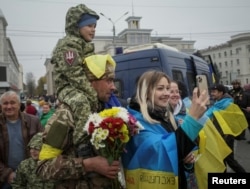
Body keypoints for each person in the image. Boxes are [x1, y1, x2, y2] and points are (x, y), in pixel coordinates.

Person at [36, 54, 121, 188]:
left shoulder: (103, 109)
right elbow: (43, 167)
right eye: (108, 80)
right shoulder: (67, 114)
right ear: (92, 82)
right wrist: (88, 165)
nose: (113, 87)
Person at [122, 70, 209, 189]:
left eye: (167, 88)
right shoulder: (135, 122)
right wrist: (193, 119)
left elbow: (176, 151)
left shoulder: (167, 116)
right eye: (160, 88)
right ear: (146, 91)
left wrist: (187, 161)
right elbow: (159, 150)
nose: (167, 93)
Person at [50, 3, 100, 148]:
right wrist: (92, 94)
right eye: (89, 26)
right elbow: (75, 75)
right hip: (67, 87)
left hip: (81, 86)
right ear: (76, 26)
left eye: (95, 26)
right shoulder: (68, 45)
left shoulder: (86, 45)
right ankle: (82, 142)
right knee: (81, 103)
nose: (93, 30)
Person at [0, 91, 44, 189]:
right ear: (1, 106)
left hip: (31, 178)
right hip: (4, 179)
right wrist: (7, 173)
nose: (9, 106)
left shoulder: (34, 121)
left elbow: (45, 146)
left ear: (19, 105)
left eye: (12, 102)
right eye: (5, 103)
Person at [206, 84, 247, 173]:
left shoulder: (226, 104)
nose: (212, 94)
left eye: (214, 92)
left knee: (229, 160)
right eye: (211, 91)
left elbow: (210, 114)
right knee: (222, 159)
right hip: (221, 135)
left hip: (226, 136)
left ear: (221, 93)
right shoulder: (219, 102)